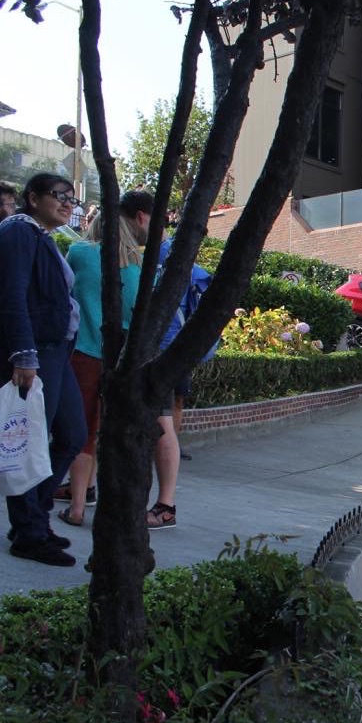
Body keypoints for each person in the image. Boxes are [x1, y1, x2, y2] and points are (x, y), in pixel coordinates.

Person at [0, 173, 87, 566]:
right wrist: (23, 354)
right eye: (59, 196)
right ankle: (30, 532)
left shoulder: (43, 237)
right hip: (36, 354)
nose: (68, 204)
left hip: (57, 352)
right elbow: (11, 293)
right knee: (30, 442)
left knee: (73, 435)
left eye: (72, 198)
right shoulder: (19, 231)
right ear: (32, 198)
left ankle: (33, 520)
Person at [54, 208, 143, 526]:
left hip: (82, 352)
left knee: (81, 433)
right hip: (118, 359)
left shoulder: (78, 252)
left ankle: (77, 506)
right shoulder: (136, 265)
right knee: (106, 431)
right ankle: (101, 500)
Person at [145, 208, 216, 528]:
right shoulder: (190, 266)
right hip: (176, 353)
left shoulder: (154, 258)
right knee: (168, 416)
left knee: (161, 423)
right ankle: (165, 503)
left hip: (159, 352)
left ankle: (164, 504)